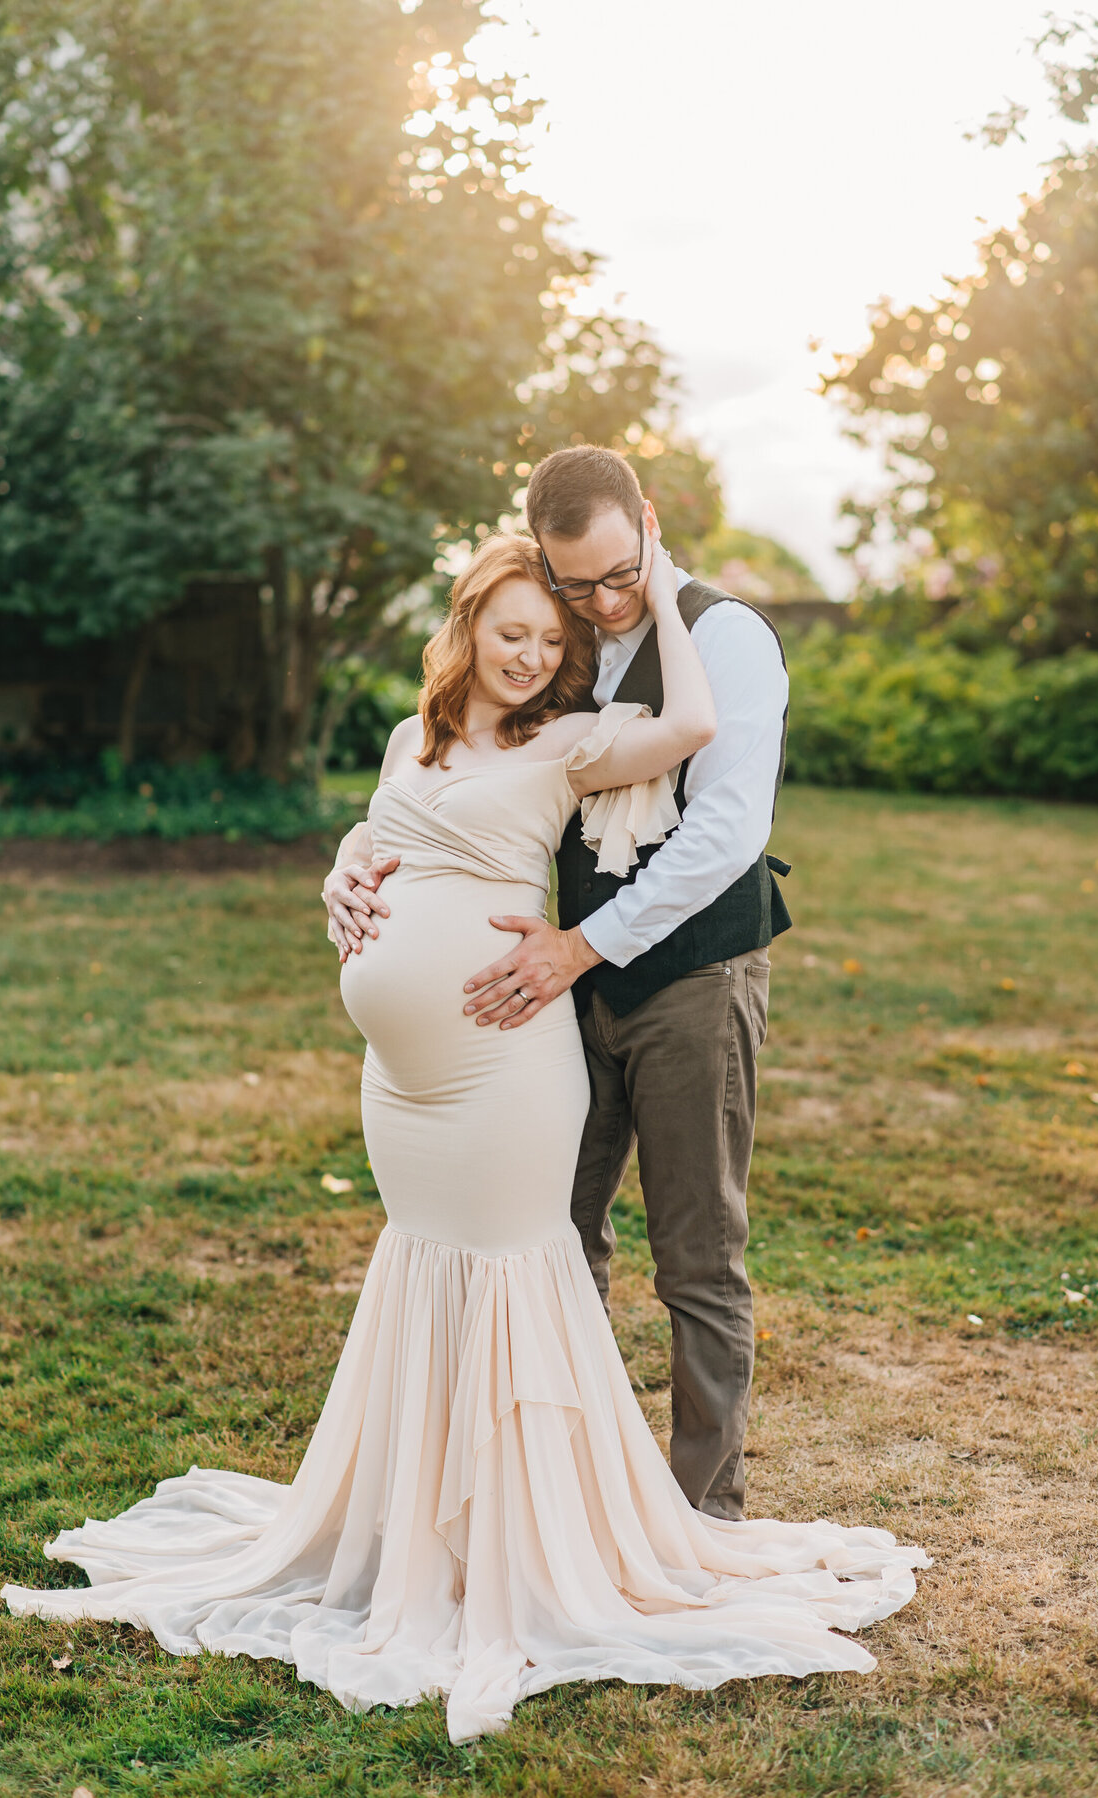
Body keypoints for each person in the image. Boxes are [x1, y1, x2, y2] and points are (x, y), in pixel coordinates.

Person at [4, 530, 926, 1746]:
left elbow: (696, 731)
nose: (532, 653)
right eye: (513, 631)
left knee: (520, 1267)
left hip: (506, 1067)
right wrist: (338, 881)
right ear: (469, 624)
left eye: (553, 640)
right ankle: (423, 1529)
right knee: (426, 1264)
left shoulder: (570, 737)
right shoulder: (411, 735)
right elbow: (375, 839)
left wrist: (657, 577)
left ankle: (536, 1541)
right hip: (402, 1085)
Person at [334, 446, 790, 1526]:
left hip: (687, 977)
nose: (597, 603)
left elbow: (728, 826)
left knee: (695, 1253)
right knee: (555, 1233)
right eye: (574, 583)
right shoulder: (560, 635)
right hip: (554, 993)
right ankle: (554, 1494)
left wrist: (583, 946)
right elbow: (433, 791)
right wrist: (343, 871)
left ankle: (699, 1512)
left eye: (618, 576)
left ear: (650, 523)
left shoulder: (723, 636)